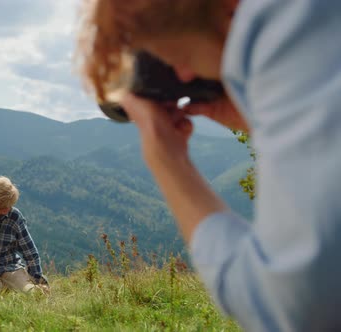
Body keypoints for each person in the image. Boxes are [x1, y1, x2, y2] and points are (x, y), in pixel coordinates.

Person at [77, 0, 341, 331]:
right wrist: (261, 117)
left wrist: (168, 161)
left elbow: (294, 311)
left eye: (178, 58)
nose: (186, 76)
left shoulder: (284, 28)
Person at [0, 176, 48, 293]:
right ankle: (5, 290)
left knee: (25, 289)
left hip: (10, 267)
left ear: (4, 210)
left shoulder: (14, 218)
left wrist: (38, 279)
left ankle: (36, 291)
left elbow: (30, 252)